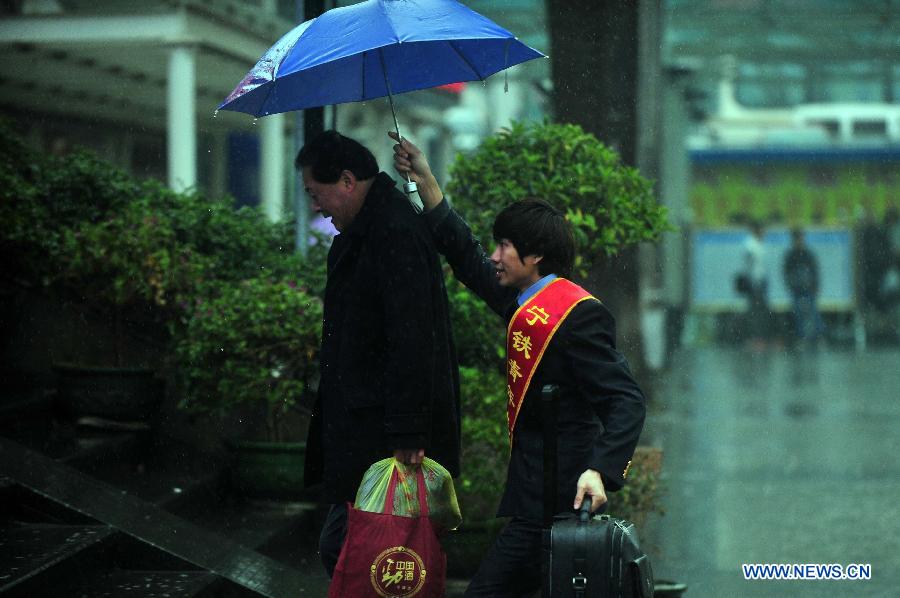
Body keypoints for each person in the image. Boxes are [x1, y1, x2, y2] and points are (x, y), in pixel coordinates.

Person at [390, 131, 646, 597]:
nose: (495, 255)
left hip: (563, 505)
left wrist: (601, 471)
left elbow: (626, 400)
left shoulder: (577, 315)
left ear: (537, 256)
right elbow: (466, 256)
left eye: (505, 245)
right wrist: (425, 180)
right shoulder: (522, 303)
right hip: (533, 503)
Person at [296, 130, 460, 577]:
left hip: (385, 435)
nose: (315, 206)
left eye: (316, 192)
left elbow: (412, 336)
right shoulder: (374, 225)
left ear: (347, 180)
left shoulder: (392, 229)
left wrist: (409, 430)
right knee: (356, 550)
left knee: (356, 550)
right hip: (370, 427)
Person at [782, 228, 824, 348]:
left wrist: (815, 286)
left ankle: (817, 336)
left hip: (808, 288)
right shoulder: (791, 255)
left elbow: (815, 272)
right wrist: (790, 285)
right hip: (797, 288)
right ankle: (802, 336)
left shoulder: (807, 254)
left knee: (813, 312)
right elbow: (786, 273)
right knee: (799, 313)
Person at [742, 221, 770, 349]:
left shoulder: (759, 244)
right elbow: (749, 264)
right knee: (755, 312)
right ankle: (754, 338)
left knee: (760, 311)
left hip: (761, 280)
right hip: (755, 282)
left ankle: (760, 337)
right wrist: (752, 281)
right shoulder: (751, 245)